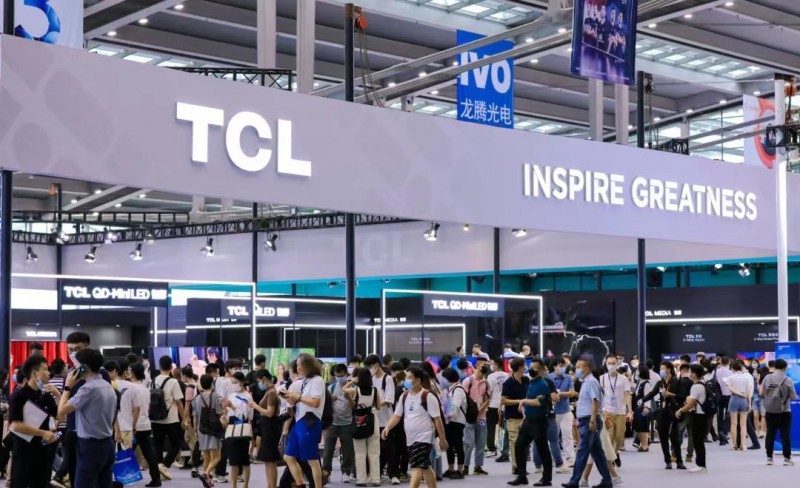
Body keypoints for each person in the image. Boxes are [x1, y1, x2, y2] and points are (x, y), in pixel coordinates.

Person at [58, 348, 117, 488]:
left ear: (84, 368)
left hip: (90, 446)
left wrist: (68, 387)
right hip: (107, 443)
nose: (74, 369)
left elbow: (62, 411)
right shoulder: (107, 386)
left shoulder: (88, 389)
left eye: (77, 365)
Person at [381, 366, 447, 488]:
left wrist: (442, 440)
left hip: (424, 438)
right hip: (410, 438)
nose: (406, 380)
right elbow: (397, 415)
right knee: (425, 466)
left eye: (409, 377)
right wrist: (388, 427)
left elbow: (437, 420)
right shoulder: (405, 396)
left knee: (416, 468)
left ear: (418, 380)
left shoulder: (428, 396)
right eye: (406, 377)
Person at [8, 355, 59, 487]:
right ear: (34, 373)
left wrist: (58, 396)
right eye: (45, 369)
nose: (49, 373)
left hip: (43, 450)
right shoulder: (20, 395)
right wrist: (42, 433)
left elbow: (60, 417)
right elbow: (15, 425)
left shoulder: (46, 396)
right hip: (24, 450)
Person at [562, 358, 613, 488]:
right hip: (586, 420)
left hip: (589, 420)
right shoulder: (586, 382)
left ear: (587, 368)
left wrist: (592, 420)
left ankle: (574, 481)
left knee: (582, 451)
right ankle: (607, 481)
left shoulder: (591, 382)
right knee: (597, 453)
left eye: (579, 367)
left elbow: (595, 402)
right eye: (576, 367)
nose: (576, 370)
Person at [509, 358, 557, 488]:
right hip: (528, 420)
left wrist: (524, 401)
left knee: (543, 449)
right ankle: (522, 476)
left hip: (539, 421)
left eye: (534, 368)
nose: (531, 369)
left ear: (541, 371)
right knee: (519, 445)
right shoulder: (531, 382)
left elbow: (539, 402)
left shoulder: (543, 384)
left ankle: (546, 479)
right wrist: (524, 415)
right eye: (530, 367)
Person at [283, 354, 326, 488]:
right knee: (288, 457)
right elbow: (303, 400)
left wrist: (298, 398)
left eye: (299, 365)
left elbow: (315, 402)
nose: (297, 368)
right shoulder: (305, 381)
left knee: (312, 460)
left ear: (307, 365)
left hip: (310, 422)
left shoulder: (317, 380)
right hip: (300, 421)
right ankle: (300, 485)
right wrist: (290, 399)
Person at [119, 362, 162, 487]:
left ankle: (125, 479)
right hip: (145, 424)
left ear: (132, 373)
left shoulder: (130, 388)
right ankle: (156, 479)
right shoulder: (145, 388)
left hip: (134, 426)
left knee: (126, 453)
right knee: (149, 454)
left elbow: (133, 409)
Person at [345, 367, 381, 486]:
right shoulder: (375, 390)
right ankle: (376, 479)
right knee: (374, 453)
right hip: (372, 422)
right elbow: (379, 407)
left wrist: (352, 381)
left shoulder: (355, 390)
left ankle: (361, 479)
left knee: (360, 453)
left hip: (358, 423)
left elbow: (344, 390)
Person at [152, 355, 186, 481]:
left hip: (155, 418)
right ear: (171, 367)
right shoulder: (173, 382)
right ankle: (164, 465)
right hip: (171, 418)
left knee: (158, 444)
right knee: (177, 443)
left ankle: (160, 466)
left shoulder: (153, 381)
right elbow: (179, 402)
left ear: (159, 366)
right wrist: (184, 418)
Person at [365, 354, 398, 484]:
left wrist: (376, 405)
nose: (369, 369)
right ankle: (376, 474)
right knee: (375, 449)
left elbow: (389, 399)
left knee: (390, 448)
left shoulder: (387, 378)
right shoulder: (371, 379)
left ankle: (394, 474)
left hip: (387, 420)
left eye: (370, 366)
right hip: (374, 420)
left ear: (376, 365)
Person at [321, 364, 356, 484]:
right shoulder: (331, 388)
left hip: (347, 422)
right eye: (337, 376)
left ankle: (346, 472)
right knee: (328, 450)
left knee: (348, 450)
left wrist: (349, 397)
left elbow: (355, 407)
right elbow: (325, 405)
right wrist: (331, 399)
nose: (339, 378)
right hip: (332, 423)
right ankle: (326, 472)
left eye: (341, 376)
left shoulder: (353, 388)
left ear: (346, 374)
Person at [674, 364, 710, 473]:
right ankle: (701, 464)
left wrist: (680, 410)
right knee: (698, 440)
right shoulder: (703, 383)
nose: (689, 374)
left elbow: (691, 403)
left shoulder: (696, 386)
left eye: (691, 372)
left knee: (697, 440)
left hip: (698, 415)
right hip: (703, 415)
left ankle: (701, 465)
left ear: (694, 374)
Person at [761, 358, 797, 466]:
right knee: (785, 435)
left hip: (770, 410)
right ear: (785, 368)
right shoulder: (788, 380)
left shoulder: (767, 377)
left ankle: (769, 458)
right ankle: (787, 459)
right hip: (784, 411)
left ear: (774, 366)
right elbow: (793, 396)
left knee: (770, 434)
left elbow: (761, 392)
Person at [250, 370, 282, 488]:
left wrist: (255, 406)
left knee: (270, 459)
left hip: (270, 428)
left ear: (264, 379)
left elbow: (269, 412)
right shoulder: (270, 391)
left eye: (259, 381)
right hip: (267, 427)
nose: (259, 384)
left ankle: (272, 485)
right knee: (268, 460)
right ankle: (270, 485)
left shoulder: (271, 392)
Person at [193, 374, 225, 487]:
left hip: (201, 429)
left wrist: (195, 431)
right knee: (217, 457)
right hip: (214, 429)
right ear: (212, 383)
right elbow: (220, 413)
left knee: (206, 456)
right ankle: (206, 473)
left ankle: (207, 481)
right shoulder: (217, 396)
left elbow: (195, 416)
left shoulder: (197, 398)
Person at [223, 371, 254, 488]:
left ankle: (245, 485)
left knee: (244, 460)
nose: (233, 385)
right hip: (231, 427)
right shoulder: (231, 395)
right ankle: (234, 485)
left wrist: (232, 406)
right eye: (232, 383)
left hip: (242, 427)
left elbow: (246, 416)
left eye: (235, 382)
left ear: (241, 382)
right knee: (233, 461)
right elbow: (228, 413)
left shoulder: (247, 396)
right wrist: (224, 410)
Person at [599, 355, 631, 465]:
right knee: (610, 436)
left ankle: (615, 453)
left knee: (619, 437)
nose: (611, 366)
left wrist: (630, 411)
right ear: (606, 364)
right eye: (609, 363)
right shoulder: (602, 378)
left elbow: (627, 394)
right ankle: (610, 459)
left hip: (621, 411)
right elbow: (600, 395)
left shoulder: (623, 379)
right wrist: (602, 409)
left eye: (613, 363)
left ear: (617, 364)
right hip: (607, 411)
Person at [462, 361, 490, 475]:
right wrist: (471, 410)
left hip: (482, 417)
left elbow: (487, 399)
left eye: (485, 369)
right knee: (468, 443)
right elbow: (463, 397)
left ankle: (478, 466)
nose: (482, 371)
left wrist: (479, 409)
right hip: (469, 417)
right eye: (481, 367)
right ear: (477, 367)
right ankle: (465, 466)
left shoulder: (486, 383)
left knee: (481, 443)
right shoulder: (468, 381)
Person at [501, 358, 528, 476]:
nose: (526, 367)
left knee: (524, 442)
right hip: (513, 416)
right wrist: (519, 401)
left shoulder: (526, 380)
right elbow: (503, 400)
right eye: (524, 365)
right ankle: (516, 466)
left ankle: (522, 465)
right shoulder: (508, 383)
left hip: (526, 416)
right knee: (514, 441)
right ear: (520, 367)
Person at [549, 357, 576, 466]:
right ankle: (552, 457)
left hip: (565, 410)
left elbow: (572, 393)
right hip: (552, 411)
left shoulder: (568, 378)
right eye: (560, 366)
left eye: (564, 366)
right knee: (553, 437)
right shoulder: (548, 378)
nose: (563, 368)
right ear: (554, 366)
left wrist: (559, 394)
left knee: (567, 434)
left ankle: (570, 458)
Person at [440, 367, 466, 479]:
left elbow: (454, 408)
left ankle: (460, 470)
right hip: (450, 421)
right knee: (449, 446)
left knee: (458, 445)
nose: (443, 380)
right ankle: (451, 468)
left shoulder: (458, 389)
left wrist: (445, 411)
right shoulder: (451, 389)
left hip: (457, 421)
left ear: (448, 378)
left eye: (444, 378)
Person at [725, 360, 752, 451]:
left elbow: (730, 389)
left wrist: (738, 393)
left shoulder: (730, 377)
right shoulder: (746, 378)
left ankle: (734, 445)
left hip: (734, 400)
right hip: (744, 400)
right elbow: (748, 391)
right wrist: (749, 404)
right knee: (743, 425)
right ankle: (743, 445)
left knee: (733, 424)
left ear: (732, 368)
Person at [487, 357, 509, 460]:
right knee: (502, 429)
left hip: (493, 405)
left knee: (491, 428)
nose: (491, 365)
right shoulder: (507, 375)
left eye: (493, 364)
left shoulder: (490, 376)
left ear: (496, 365)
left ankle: (492, 449)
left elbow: (489, 392)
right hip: (504, 405)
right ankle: (502, 449)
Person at [632, 364, 654, 452]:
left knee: (644, 427)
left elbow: (648, 397)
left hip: (644, 408)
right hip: (638, 408)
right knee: (639, 427)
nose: (636, 372)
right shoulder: (639, 383)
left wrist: (646, 407)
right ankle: (642, 444)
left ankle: (645, 446)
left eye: (638, 370)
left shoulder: (646, 384)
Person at [714, 356, 733, 446]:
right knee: (729, 414)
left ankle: (721, 436)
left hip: (720, 395)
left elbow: (716, 382)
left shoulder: (717, 371)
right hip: (729, 394)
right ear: (729, 362)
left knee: (720, 415)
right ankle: (724, 431)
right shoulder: (731, 372)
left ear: (721, 362)